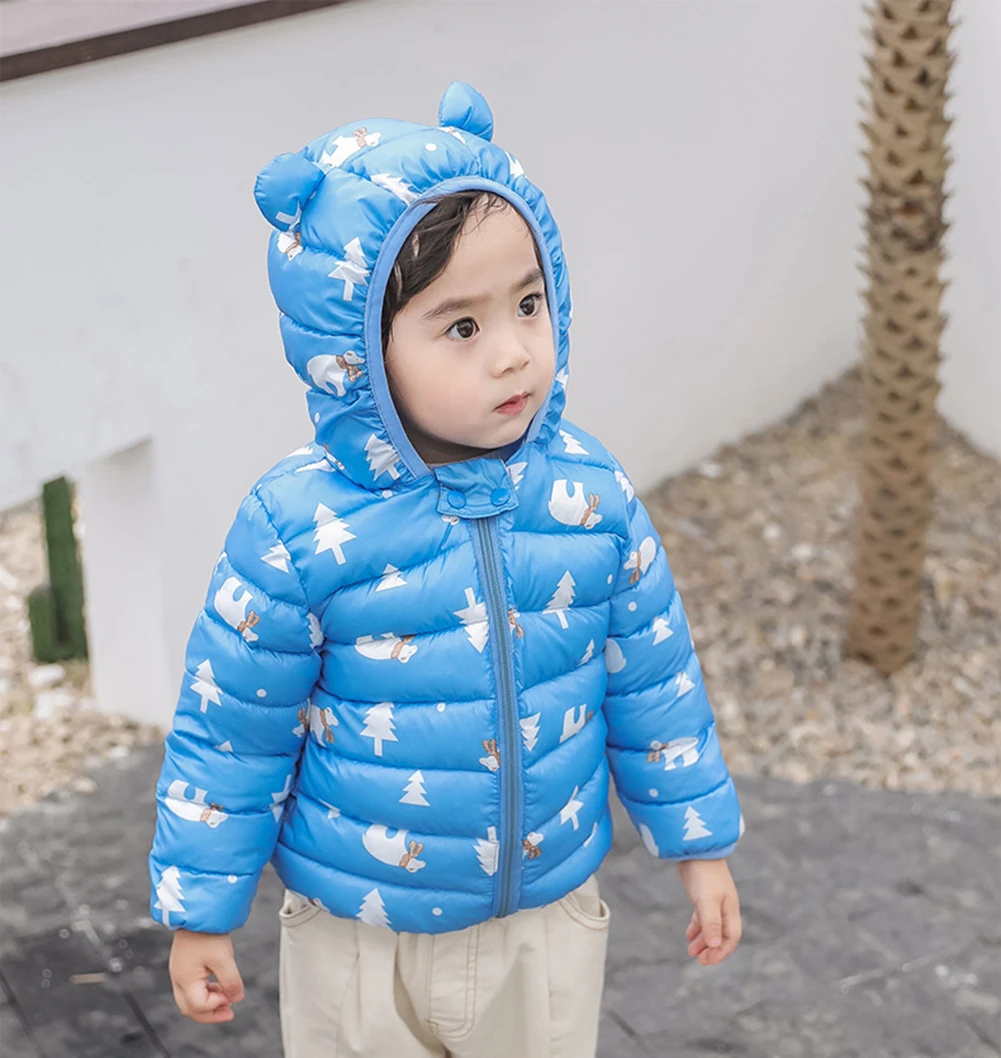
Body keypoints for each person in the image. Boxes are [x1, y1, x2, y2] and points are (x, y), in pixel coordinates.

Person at [150, 81, 744, 1058]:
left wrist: (699, 844)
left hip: (542, 926)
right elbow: (232, 733)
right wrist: (200, 913)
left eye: (528, 304)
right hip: (357, 934)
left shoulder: (589, 495)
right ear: (357, 351)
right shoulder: (295, 529)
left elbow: (652, 677)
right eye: (461, 327)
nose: (512, 353)